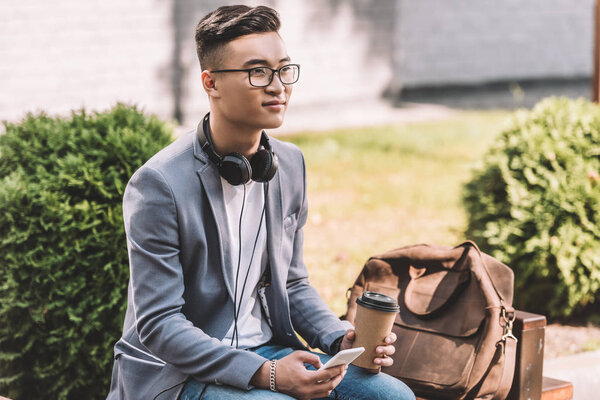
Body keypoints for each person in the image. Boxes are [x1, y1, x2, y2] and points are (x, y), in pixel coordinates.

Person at [107, 5, 415, 400]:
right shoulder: (158, 184)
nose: (277, 86)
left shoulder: (288, 164)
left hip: (269, 350)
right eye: (257, 72)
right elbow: (160, 324)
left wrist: (341, 339)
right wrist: (267, 374)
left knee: (394, 396)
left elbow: (292, 282)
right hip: (179, 371)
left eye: (284, 70)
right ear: (211, 83)